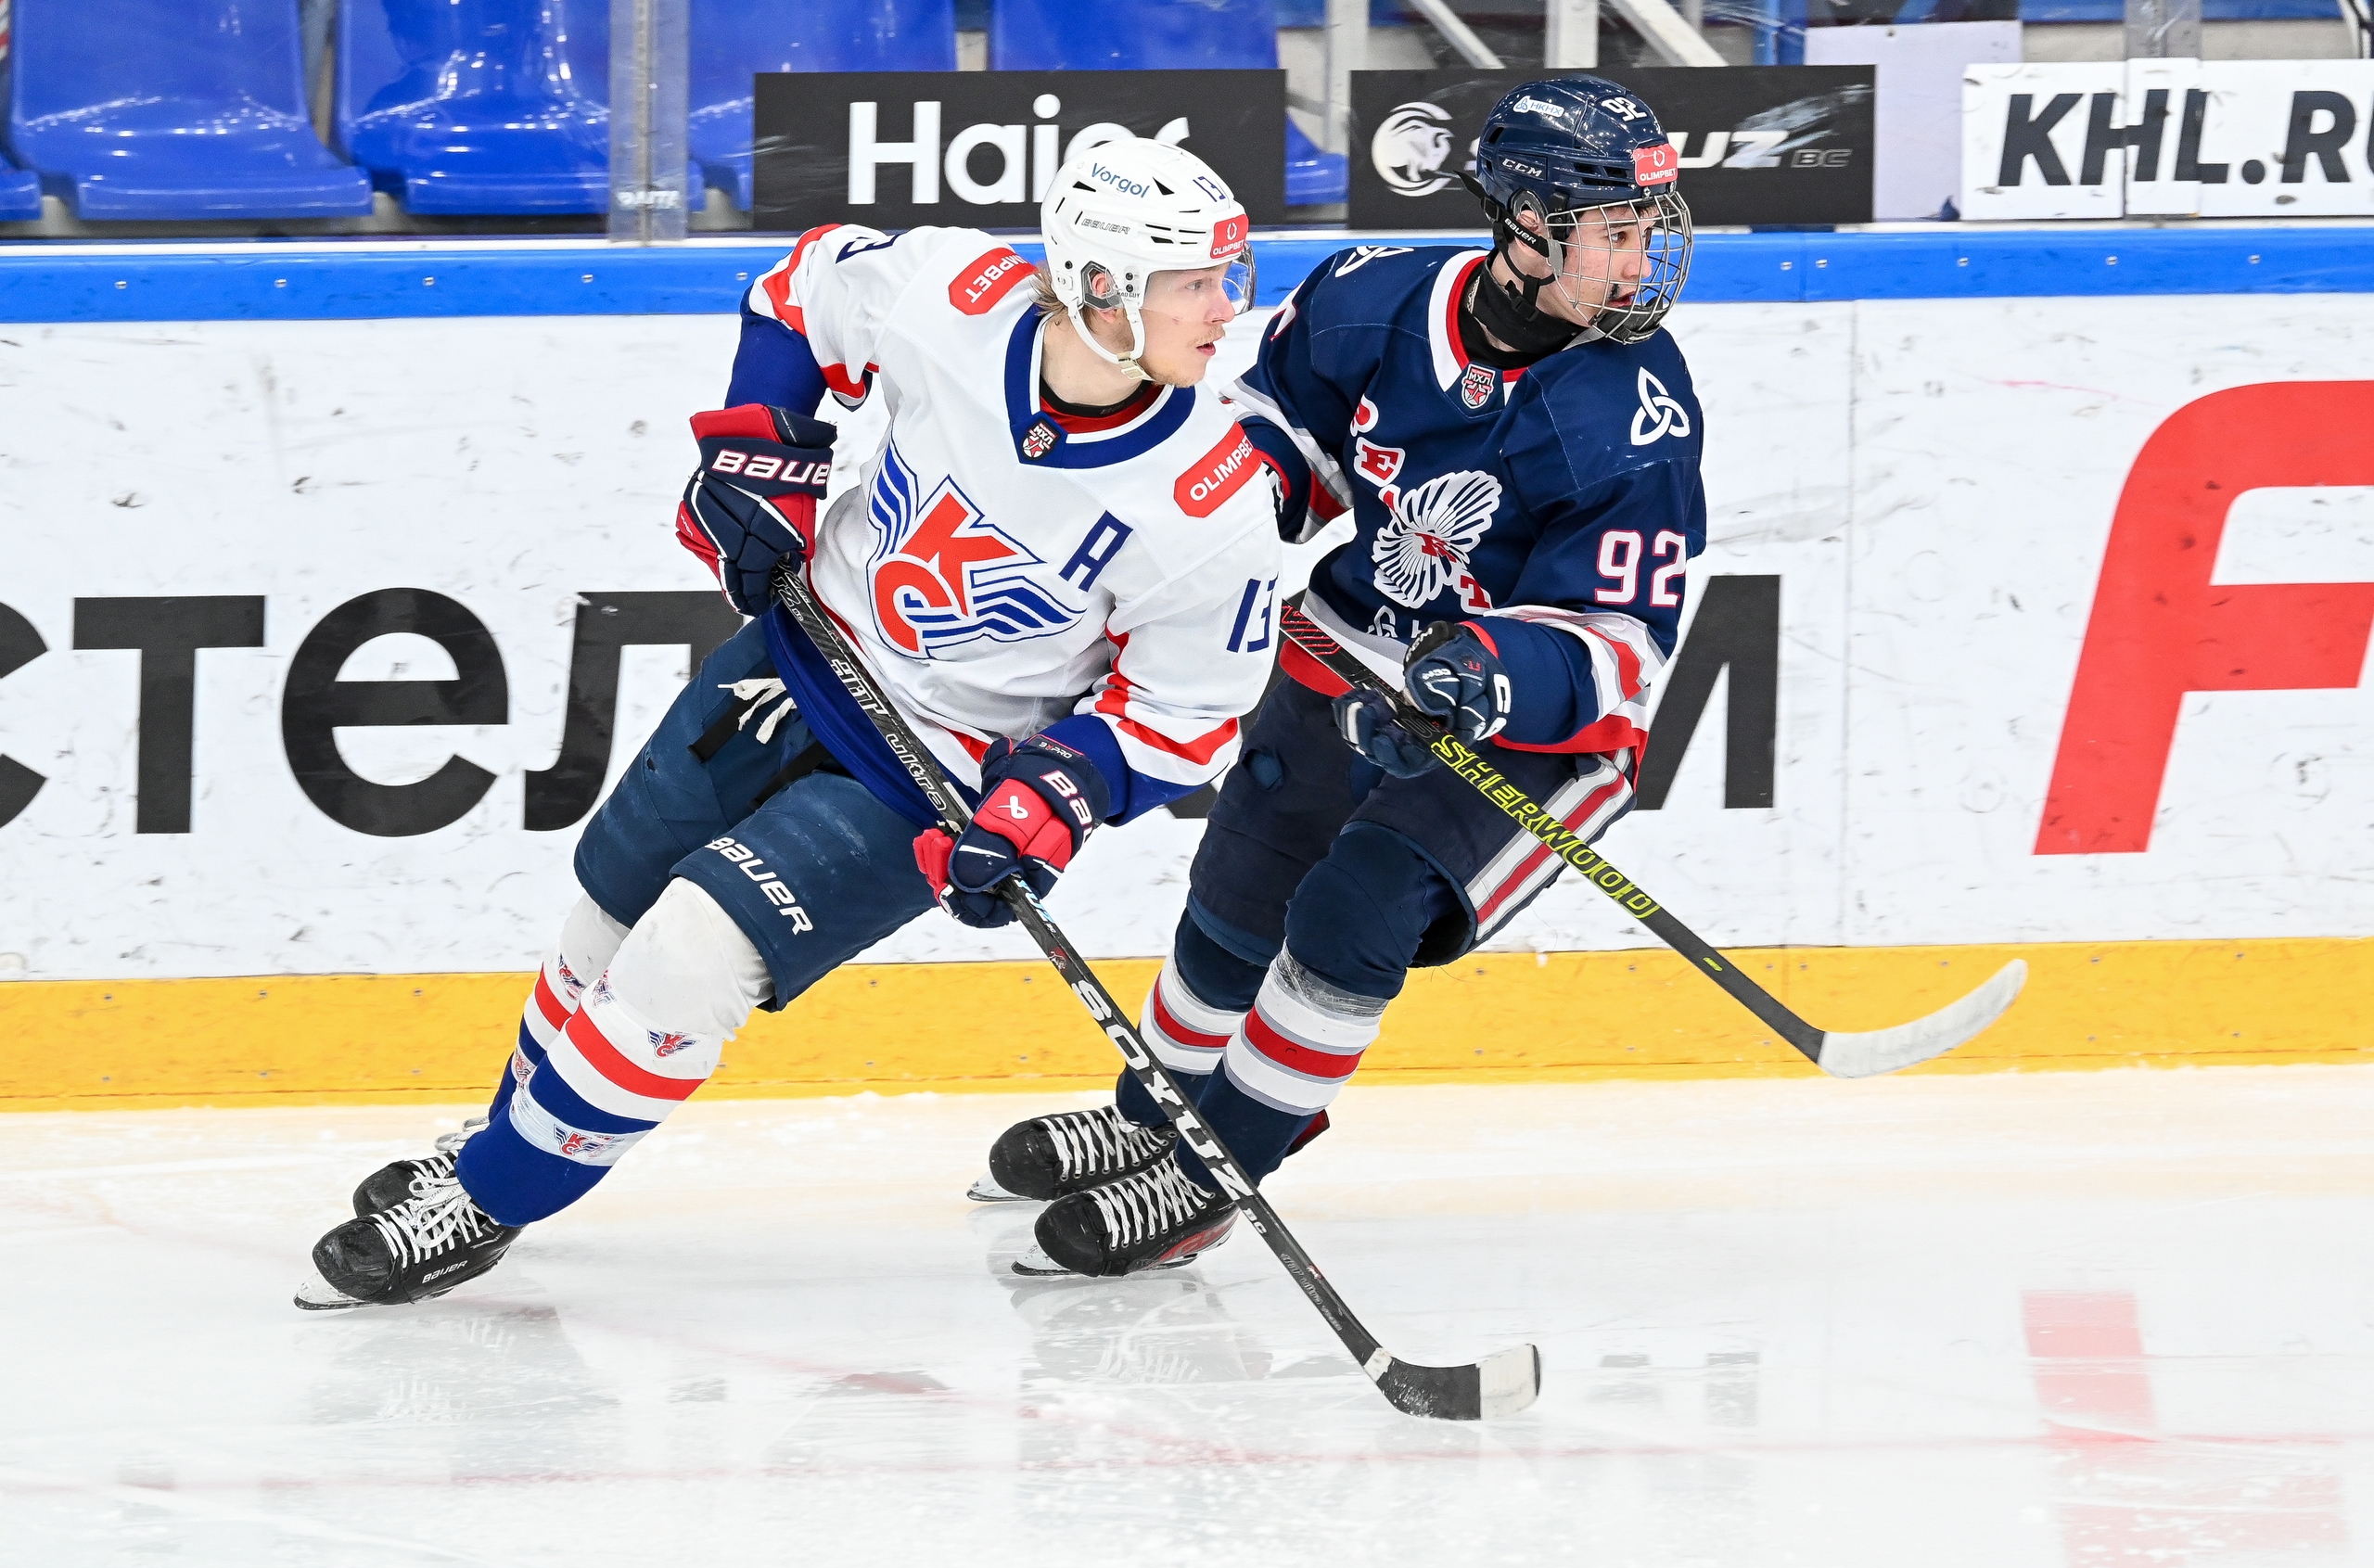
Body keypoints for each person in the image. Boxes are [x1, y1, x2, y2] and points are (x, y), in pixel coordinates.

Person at [295, 136, 1282, 1308]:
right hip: (796, 653)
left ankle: (485, 1198)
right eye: (1194, 282)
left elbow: (1186, 709)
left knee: (683, 960)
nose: (1227, 307)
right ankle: (505, 1137)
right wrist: (758, 451)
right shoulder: (956, 294)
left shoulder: (1214, 499)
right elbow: (801, 289)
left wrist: (1057, 794)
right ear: (1097, 285)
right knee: (610, 908)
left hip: (928, 774)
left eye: (1229, 273)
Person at [982, 78, 1709, 1279]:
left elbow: (1624, 639)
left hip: (1534, 726)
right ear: (1528, 225)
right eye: (1615, 233)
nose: (1640, 264)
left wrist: (1485, 675)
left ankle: (1217, 1169)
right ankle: (1157, 1114)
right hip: (1343, 647)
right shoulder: (1371, 298)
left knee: (1352, 909)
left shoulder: (1634, 407)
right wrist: (1219, 527)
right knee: (1236, 893)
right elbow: (1277, 440)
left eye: (1645, 232)